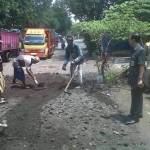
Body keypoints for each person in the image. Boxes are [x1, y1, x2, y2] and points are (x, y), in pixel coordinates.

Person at [126, 33, 146, 125]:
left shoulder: (140, 50)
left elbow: (141, 65)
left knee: (137, 96)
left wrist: (140, 79)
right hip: (133, 77)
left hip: (137, 77)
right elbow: (132, 65)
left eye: (129, 39)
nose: (128, 41)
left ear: (134, 40)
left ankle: (135, 117)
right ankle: (136, 113)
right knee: (135, 95)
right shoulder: (134, 50)